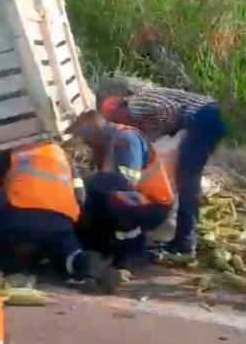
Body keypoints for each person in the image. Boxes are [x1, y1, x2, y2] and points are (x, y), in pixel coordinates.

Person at [0, 143, 119, 294]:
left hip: (21, 217)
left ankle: (1, 267)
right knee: (68, 252)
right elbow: (80, 196)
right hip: (60, 221)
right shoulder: (63, 157)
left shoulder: (16, 151)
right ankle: (84, 265)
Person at [100, 83, 225, 256]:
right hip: (208, 115)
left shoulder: (137, 105)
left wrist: (161, 133)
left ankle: (185, 243)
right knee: (188, 177)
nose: (121, 124)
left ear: (120, 109)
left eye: (117, 119)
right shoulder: (140, 106)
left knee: (187, 179)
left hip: (205, 117)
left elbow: (169, 109)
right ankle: (186, 235)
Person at [68, 110, 174, 267]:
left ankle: (134, 252)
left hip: (153, 202)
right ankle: (105, 248)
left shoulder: (125, 139)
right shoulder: (108, 141)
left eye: (86, 138)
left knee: (115, 201)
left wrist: (89, 181)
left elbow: (127, 181)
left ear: (95, 129)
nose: (86, 143)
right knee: (92, 204)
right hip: (136, 197)